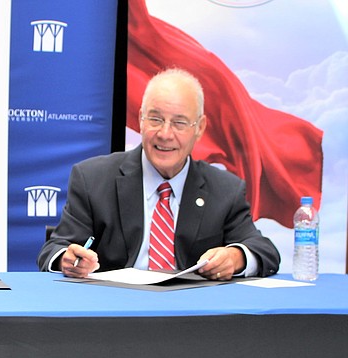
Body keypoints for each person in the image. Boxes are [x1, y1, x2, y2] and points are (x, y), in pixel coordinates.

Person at [38, 67, 280, 280]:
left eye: (179, 123)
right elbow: (55, 249)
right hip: (114, 313)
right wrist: (67, 260)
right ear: (141, 119)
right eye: (155, 119)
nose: (165, 134)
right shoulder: (92, 178)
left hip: (193, 317)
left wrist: (235, 257)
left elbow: (264, 250)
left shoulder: (225, 189)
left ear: (200, 128)